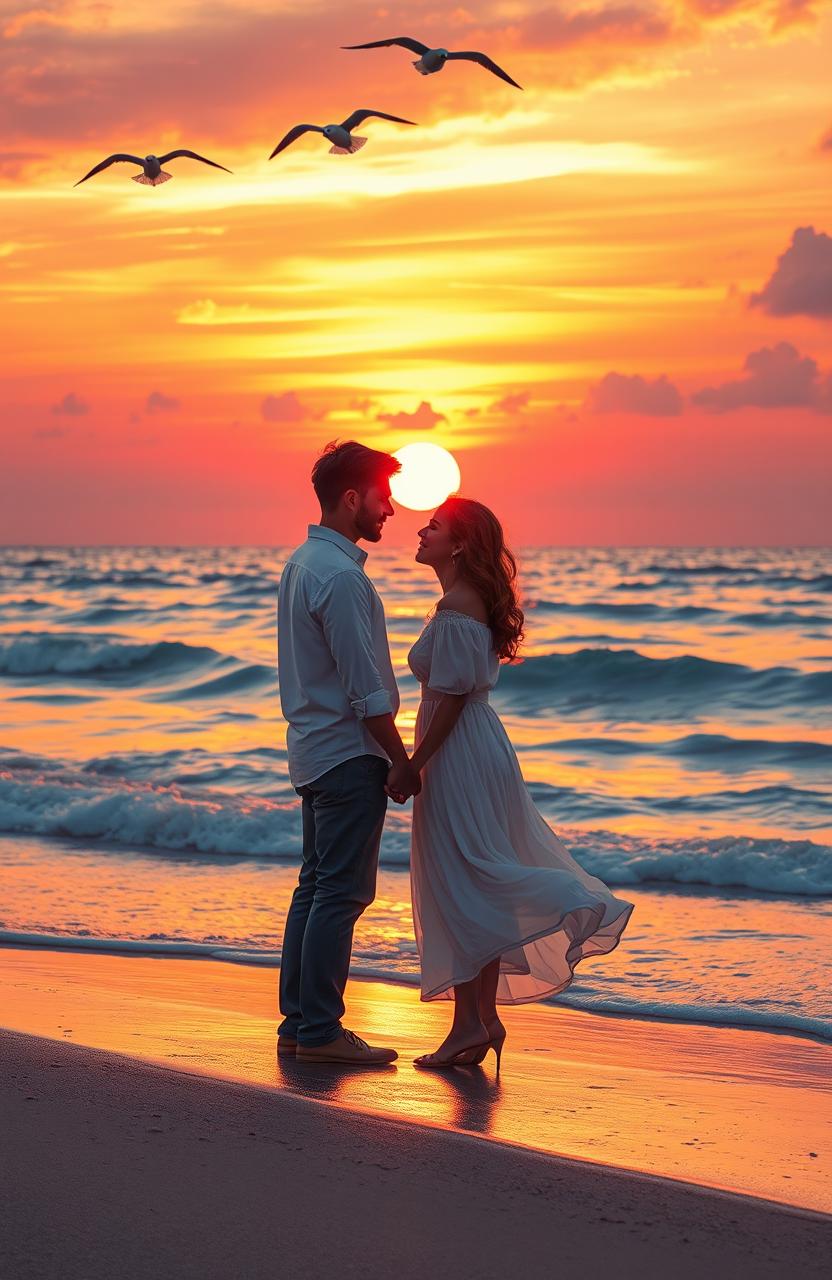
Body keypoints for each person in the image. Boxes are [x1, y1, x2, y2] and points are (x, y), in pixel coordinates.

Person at [402, 497, 634, 1070]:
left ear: (458, 544)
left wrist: (415, 762)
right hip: (479, 747)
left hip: (457, 751)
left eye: (434, 526)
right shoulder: (464, 601)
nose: (421, 530)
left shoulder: (457, 605)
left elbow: (452, 696)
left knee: (465, 879)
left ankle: (468, 1025)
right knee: (473, 875)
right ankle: (480, 1020)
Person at [276, 441, 420, 1066]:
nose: (392, 510)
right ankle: (320, 1033)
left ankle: (300, 1023)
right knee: (340, 894)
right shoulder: (339, 577)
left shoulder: (304, 563)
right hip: (346, 753)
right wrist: (402, 759)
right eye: (384, 497)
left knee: (316, 887)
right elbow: (365, 688)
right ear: (353, 498)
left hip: (313, 749)